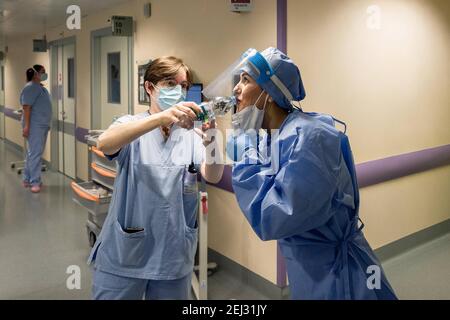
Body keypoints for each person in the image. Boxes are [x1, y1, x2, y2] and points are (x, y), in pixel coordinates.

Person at [225, 47, 397, 300]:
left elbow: (273, 216)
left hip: (338, 273)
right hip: (309, 268)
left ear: (270, 93)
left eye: (246, 79)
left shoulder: (310, 138)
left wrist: (246, 155)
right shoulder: (274, 137)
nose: (236, 89)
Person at [88, 56, 224, 300]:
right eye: (170, 83)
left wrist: (213, 136)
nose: (179, 91)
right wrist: (161, 118)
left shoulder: (191, 134)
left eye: (183, 86)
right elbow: (105, 143)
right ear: (149, 87)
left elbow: (212, 175)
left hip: (172, 254)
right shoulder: (130, 124)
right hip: (126, 253)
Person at [20, 65, 52, 193]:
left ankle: (27, 179)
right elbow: (27, 108)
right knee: (35, 154)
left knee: (33, 153)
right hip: (34, 126)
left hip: (41, 125)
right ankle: (35, 182)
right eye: (42, 72)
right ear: (35, 74)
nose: (44, 74)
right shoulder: (30, 88)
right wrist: (27, 126)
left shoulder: (40, 88)